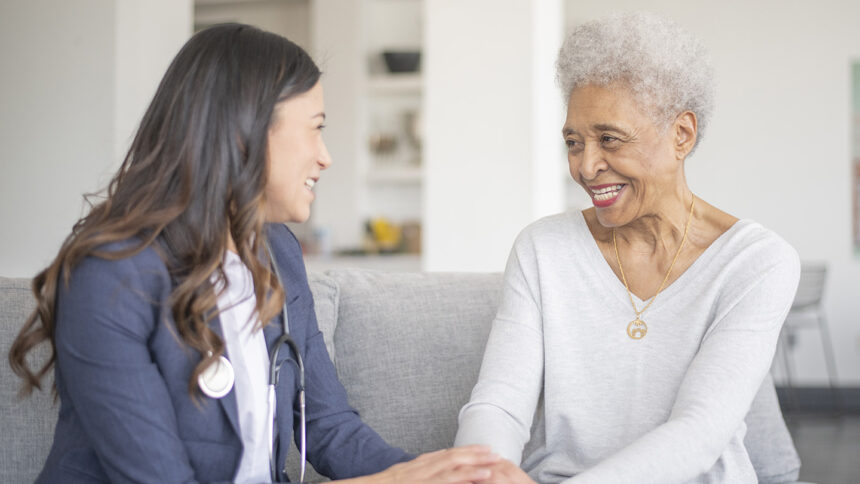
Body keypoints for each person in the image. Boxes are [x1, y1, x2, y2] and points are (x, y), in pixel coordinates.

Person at [8, 24, 500, 484]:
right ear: (244, 132)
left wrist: (448, 472)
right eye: (315, 127)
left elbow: (327, 427)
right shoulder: (110, 277)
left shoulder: (276, 252)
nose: (325, 156)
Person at [455, 12, 800, 484]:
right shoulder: (543, 249)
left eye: (609, 139)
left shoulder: (757, 262)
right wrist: (484, 474)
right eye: (574, 142)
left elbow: (698, 433)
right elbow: (498, 404)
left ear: (681, 134)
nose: (586, 166)